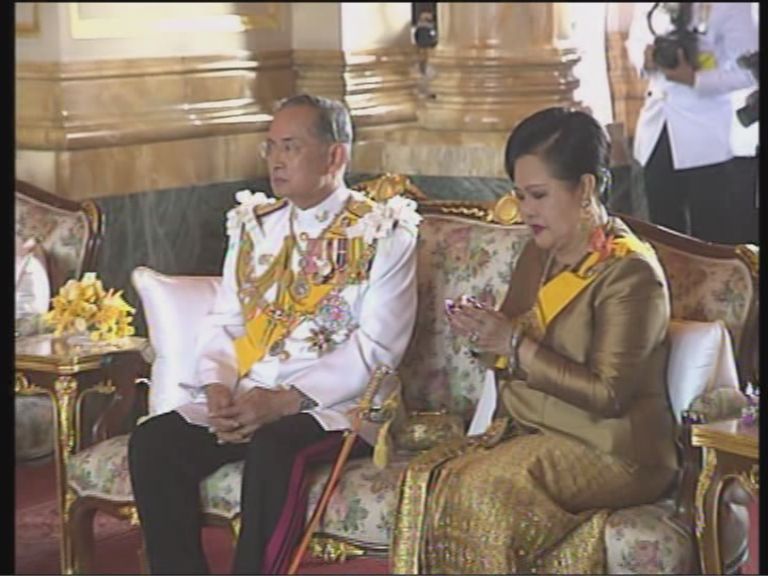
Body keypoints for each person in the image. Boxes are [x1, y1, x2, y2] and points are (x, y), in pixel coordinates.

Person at [128, 94, 420, 574]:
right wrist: (217, 386)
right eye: (271, 147)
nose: (276, 160)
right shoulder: (255, 227)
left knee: (275, 445)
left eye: (290, 146)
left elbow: (378, 350)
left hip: (340, 407)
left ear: (335, 155)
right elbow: (227, 322)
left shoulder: (381, 231)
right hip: (252, 398)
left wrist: (286, 401)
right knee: (155, 442)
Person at [391, 107, 679, 574]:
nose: (526, 210)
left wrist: (514, 344)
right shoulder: (538, 254)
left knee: (485, 489)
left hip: (616, 449)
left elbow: (609, 394)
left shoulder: (630, 274)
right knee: (432, 479)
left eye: (540, 195)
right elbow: (509, 351)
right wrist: (483, 334)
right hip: (536, 428)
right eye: (520, 195)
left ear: (585, 188)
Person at [626, 2, 758, 243]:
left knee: (712, 232)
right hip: (657, 128)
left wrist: (696, 79)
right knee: (661, 232)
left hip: (705, 135)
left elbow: (750, 72)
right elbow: (635, 40)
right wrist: (644, 60)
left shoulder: (732, 6)